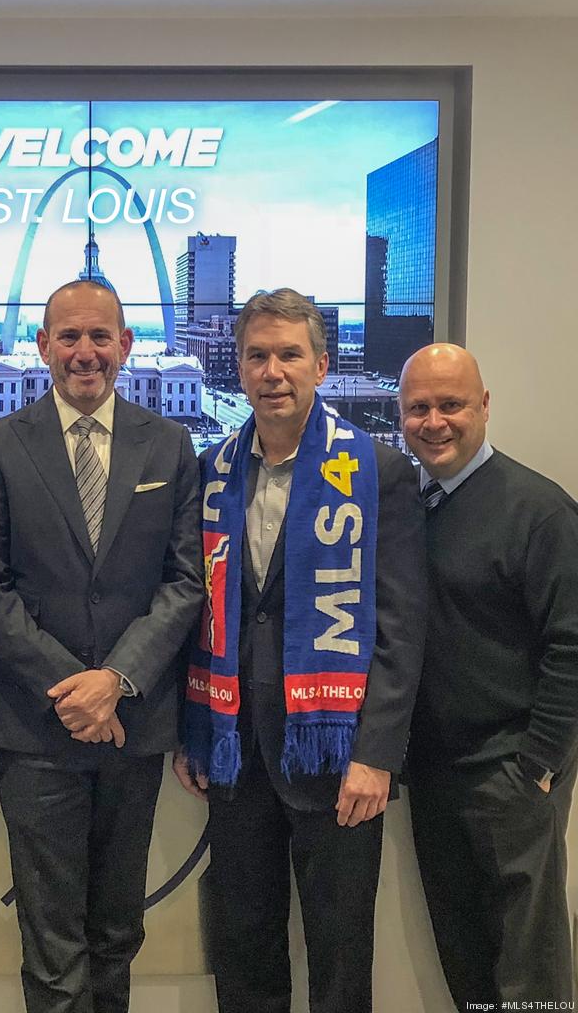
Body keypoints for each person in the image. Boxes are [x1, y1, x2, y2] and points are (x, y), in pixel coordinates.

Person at [174, 288, 426, 1013]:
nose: (272, 371)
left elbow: (402, 627)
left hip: (336, 752)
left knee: (341, 955)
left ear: (320, 364)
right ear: (239, 367)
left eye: (289, 355)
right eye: (258, 355)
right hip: (235, 751)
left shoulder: (377, 471)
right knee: (243, 945)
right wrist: (196, 733)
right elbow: (205, 612)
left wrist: (376, 753)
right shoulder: (213, 470)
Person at [0, 279, 203, 1013]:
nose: (85, 352)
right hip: (38, 727)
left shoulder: (170, 443)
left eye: (101, 336)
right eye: (68, 336)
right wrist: (78, 688)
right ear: (43, 346)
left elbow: (185, 581)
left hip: (133, 724)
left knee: (116, 931)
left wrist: (117, 680)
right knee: (52, 939)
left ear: (126, 346)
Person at [399, 343, 578, 1009]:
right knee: (466, 961)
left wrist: (538, 768)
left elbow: (572, 646)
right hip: (435, 776)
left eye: (451, 405)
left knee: (527, 975)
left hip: (510, 776)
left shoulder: (539, 511)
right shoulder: (407, 507)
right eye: (419, 407)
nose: (434, 421)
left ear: (484, 407)